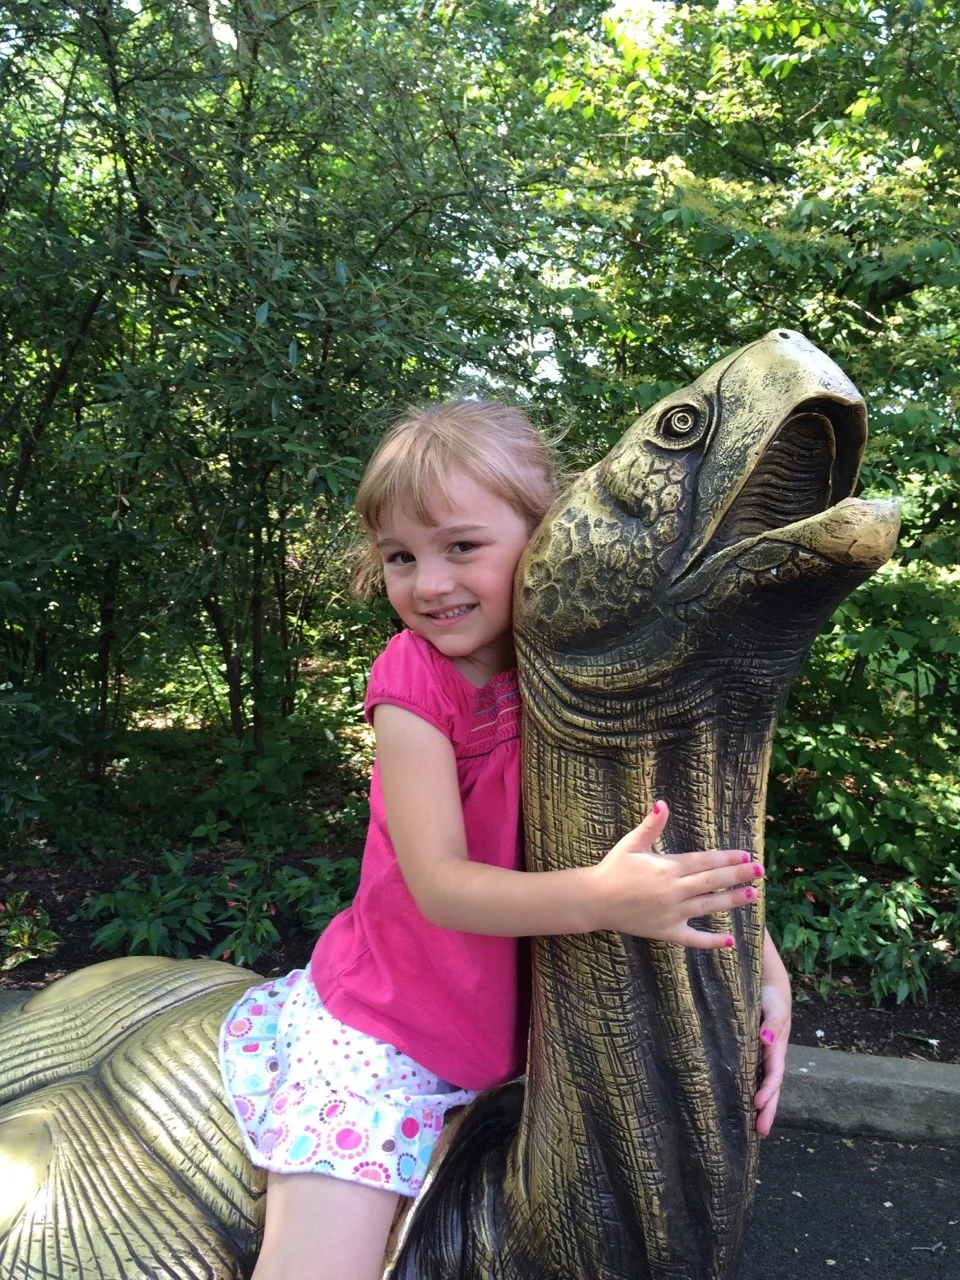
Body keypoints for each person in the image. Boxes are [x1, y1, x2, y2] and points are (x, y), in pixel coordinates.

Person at [218, 400, 792, 1280]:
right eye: (401, 558)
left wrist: (761, 957)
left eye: (461, 547)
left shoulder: (573, 668)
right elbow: (442, 885)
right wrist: (605, 899)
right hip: (394, 1030)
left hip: (523, 1031)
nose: (429, 583)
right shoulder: (416, 680)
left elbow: (668, 835)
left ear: (544, 535)